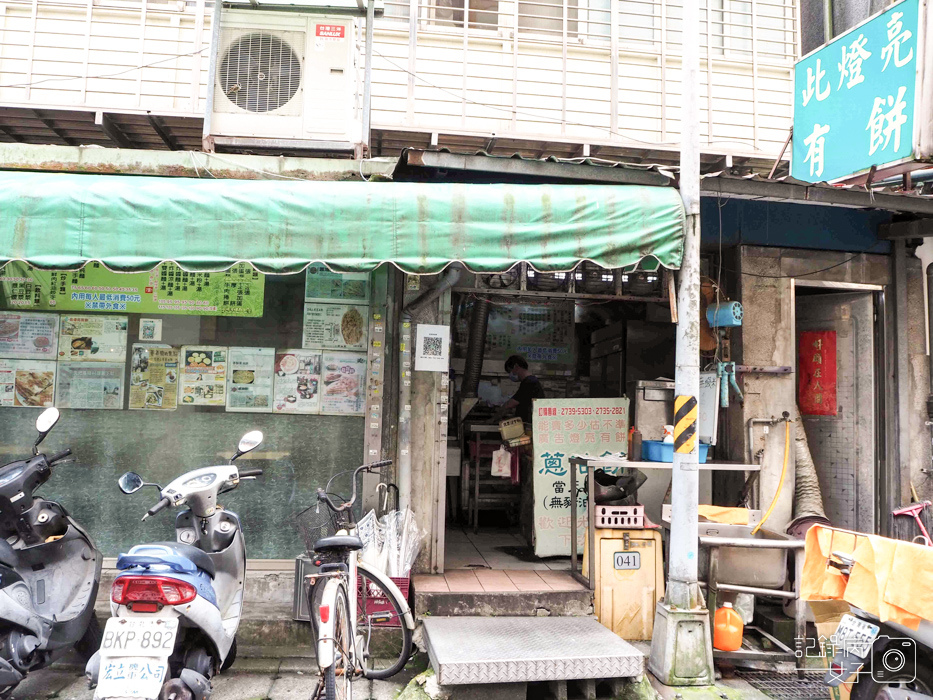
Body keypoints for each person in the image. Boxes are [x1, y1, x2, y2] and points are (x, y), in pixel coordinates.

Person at [496, 355, 545, 425]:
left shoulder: (530, 382)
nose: (510, 375)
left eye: (510, 371)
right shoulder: (529, 381)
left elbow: (510, 405)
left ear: (516, 366)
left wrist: (493, 419)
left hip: (529, 425)